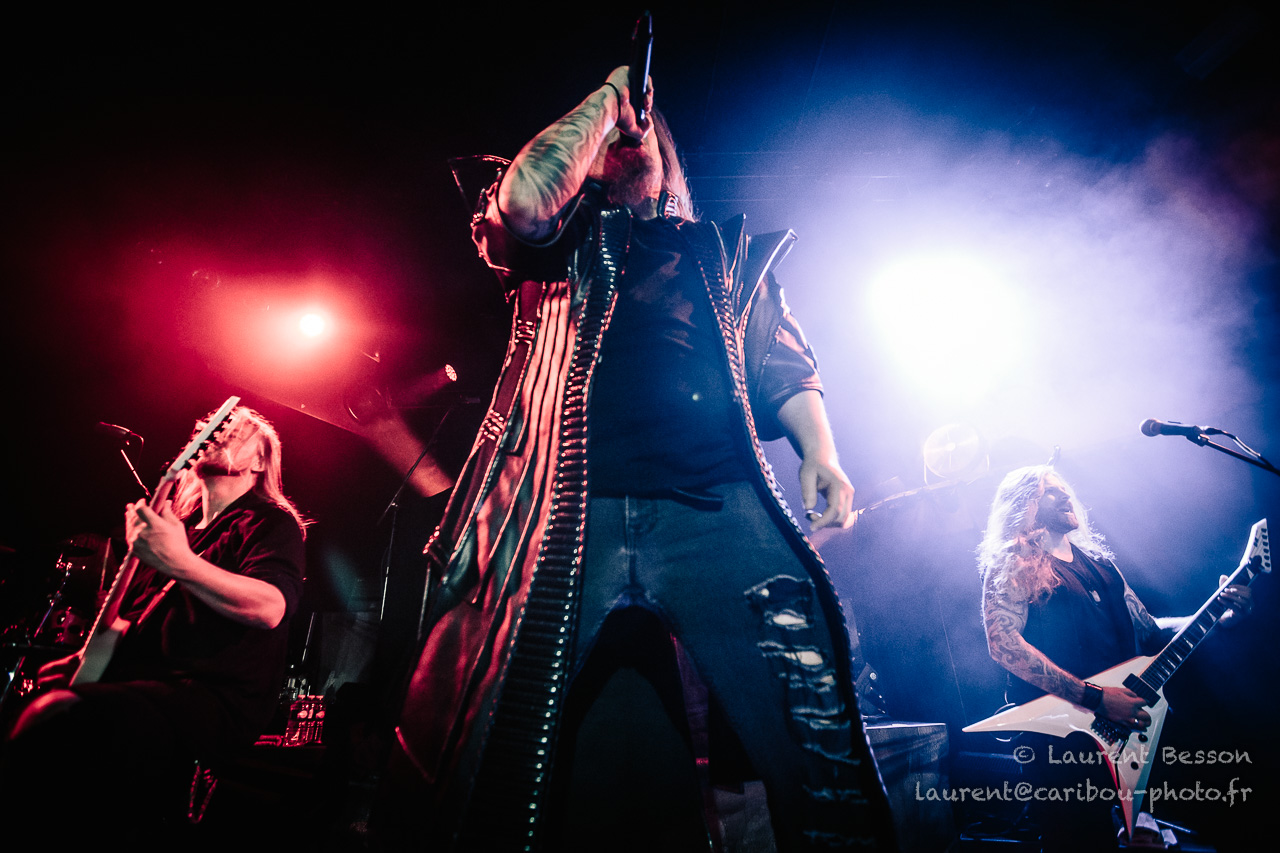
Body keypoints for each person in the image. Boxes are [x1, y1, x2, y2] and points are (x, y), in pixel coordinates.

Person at [379, 64, 897, 852]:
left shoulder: (724, 252)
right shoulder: (550, 247)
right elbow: (525, 201)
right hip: (562, 512)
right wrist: (611, 95)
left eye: (642, 126)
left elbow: (785, 361)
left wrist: (821, 450)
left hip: (714, 508)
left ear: (669, 158)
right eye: (613, 128)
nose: (629, 133)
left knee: (810, 714)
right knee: (498, 735)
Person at [0, 405, 307, 841]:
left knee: (57, 716)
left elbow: (270, 608)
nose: (216, 432)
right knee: (30, 713)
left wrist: (179, 561)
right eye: (209, 428)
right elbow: (131, 623)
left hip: (212, 697)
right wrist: (82, 661)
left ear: (260, 460)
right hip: (147, 682)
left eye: (234, 429)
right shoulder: (177, 529)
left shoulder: (268, 522)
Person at [976, 465, 1252, 851]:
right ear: (1024, 505)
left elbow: (1149, 630)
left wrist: (1215, 617)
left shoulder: (1100, 564)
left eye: (1064, 487)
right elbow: (1003, 645)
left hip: (1121, 734)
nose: (1065, 494)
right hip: (1060, 741)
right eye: (1049, 490)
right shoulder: (1016, 560)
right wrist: (1096, 698)